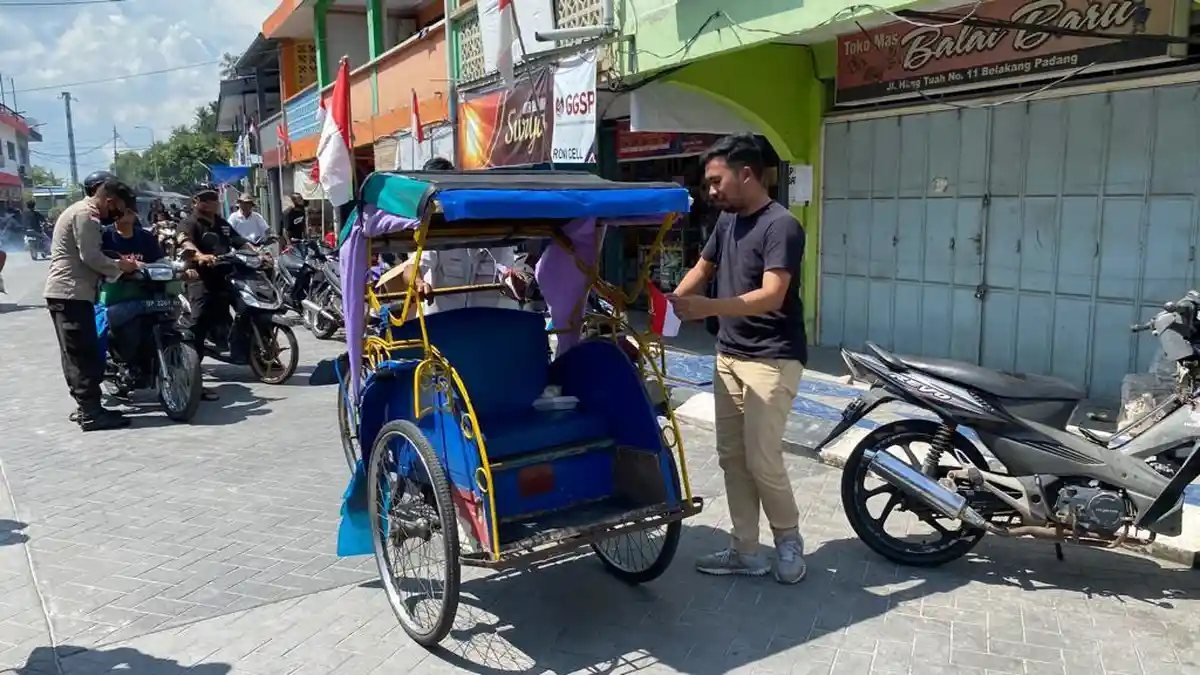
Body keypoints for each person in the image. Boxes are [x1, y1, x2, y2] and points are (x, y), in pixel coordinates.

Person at [668, 134, 808, 584]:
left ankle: (788, 540)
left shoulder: (780, 225)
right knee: (732, 457)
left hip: (772, 359)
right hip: (728, 356)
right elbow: (703, 268)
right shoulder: (727, 223)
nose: (710, 191)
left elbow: (772, 295)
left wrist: (707, 308)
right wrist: (674, 300)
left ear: (746, 174)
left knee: (762, 458)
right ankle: (745, 549)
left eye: (715, 181)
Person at [44, 172, 142, 431]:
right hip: (70, 292)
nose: (119, 214)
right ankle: (91, 412)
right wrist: (123, 266)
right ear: (109, 200)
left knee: (76, 351)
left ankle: (87, 406)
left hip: (72, 293)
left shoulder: (86, 213)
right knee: (82, 353)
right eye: (119, 208)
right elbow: (91, 256)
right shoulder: (86, 214)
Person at [396, 157, 524, 312]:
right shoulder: (435, 234)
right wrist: (418, 283)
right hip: (441, 324)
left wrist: (516, 281)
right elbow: (412, 267)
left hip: (487, 324)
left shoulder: (499, 236)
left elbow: (508, 273)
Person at [177, 187, 257, 401]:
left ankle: (253, 353)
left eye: (213, 198)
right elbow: (184, 242)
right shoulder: (190, 223)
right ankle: (192, 377)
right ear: (196, 202)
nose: (211, 202)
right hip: (201, 279)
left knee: (247, 306)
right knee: (198, 324)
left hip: (225, 276)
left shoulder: (221, 223)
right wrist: (200, 255)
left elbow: (239, 241)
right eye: (205, 199)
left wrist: (258, 252)